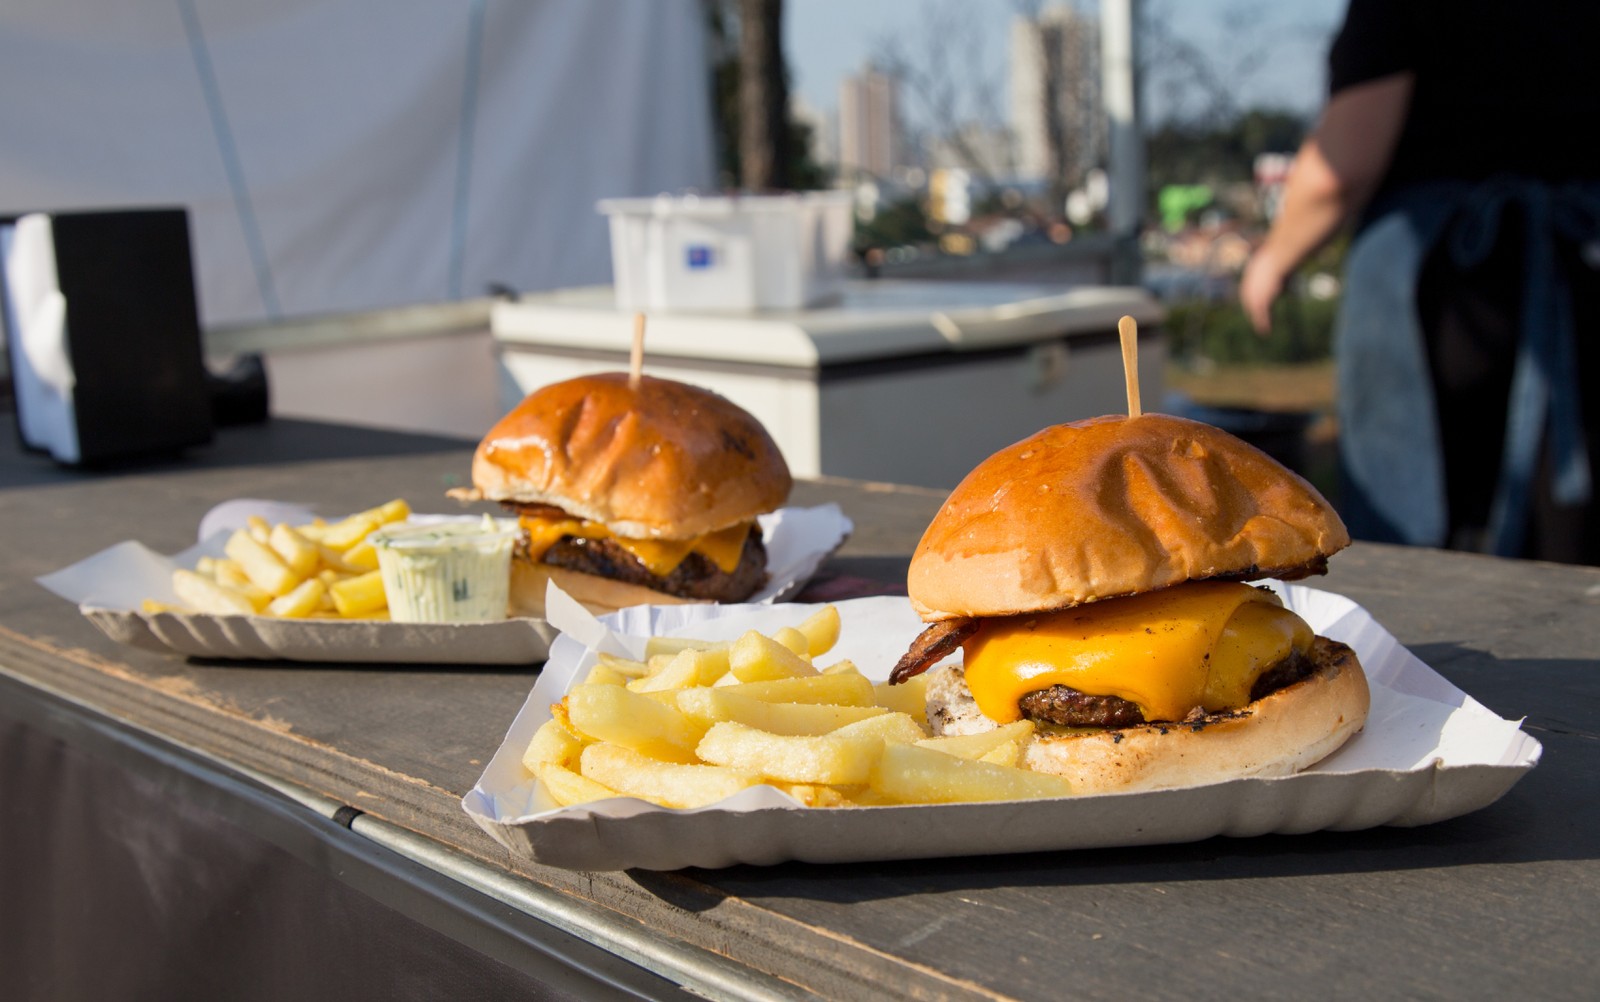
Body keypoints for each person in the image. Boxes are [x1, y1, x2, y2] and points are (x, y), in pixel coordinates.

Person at [1240, 0, 1600, 566]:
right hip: (1582, 269)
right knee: (1570, 539)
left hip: (1451, 297)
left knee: (1423, 550)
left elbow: (1345, 163)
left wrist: (1274, 257)